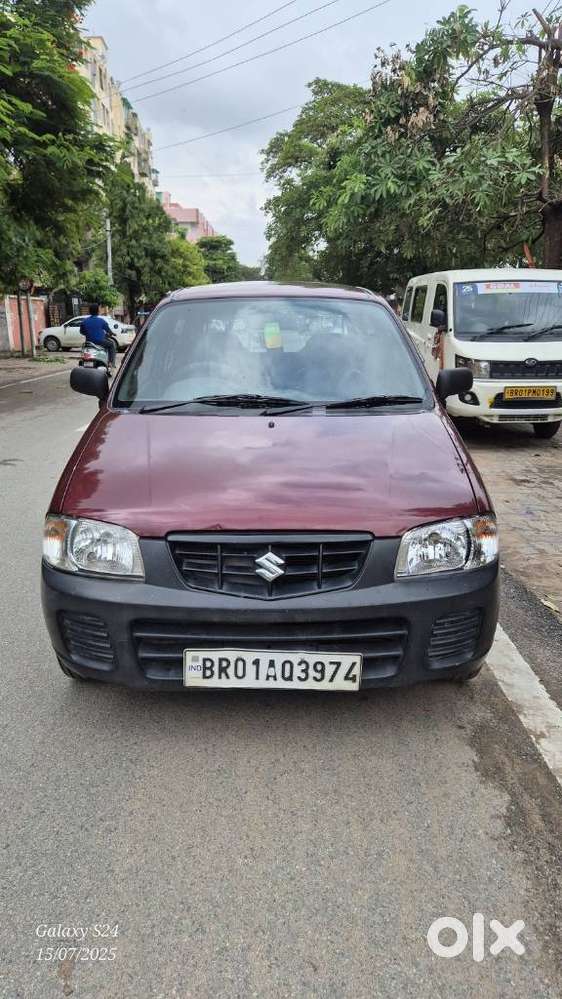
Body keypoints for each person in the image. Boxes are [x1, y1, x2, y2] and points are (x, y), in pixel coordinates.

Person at [79, 304, 117, 369]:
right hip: (100, 342)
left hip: (89, 342)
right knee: (111, 345)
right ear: (98, 311)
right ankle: (111, 363)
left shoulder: (84, 321)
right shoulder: (101, 321)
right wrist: (112, 333)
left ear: (89, 311)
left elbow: (82, 332)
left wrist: (89, 333)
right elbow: (108, 331)